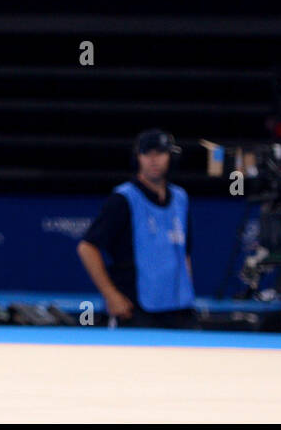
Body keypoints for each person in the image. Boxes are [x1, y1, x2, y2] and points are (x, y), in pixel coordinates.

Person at [77, 129, 197, 329]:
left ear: (171, 156)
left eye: (159, 153)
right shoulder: (123, 199)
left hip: (180, 310)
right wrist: (111, 295)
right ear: (137, 157)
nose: (153, 160)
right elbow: (87, 248)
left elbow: (185, 253)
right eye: (146, 153)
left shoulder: (180, 199)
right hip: (137, 310)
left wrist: (187, 293)